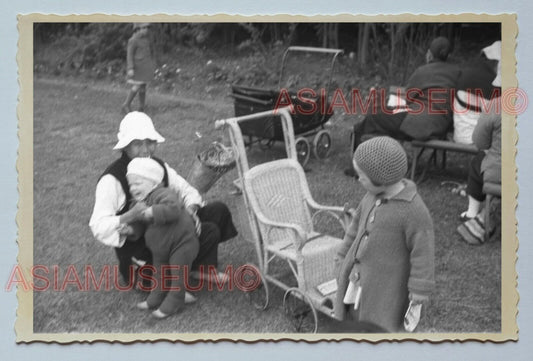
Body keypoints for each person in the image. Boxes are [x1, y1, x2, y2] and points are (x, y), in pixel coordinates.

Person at [89, 111, 238, 290]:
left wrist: (191, 209)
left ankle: (192, 268)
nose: (145, 150)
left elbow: (187, 190)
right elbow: (98, 225)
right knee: (209, 231)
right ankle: (170, 273)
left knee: (217, 211)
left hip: (165, 233)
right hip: (142, 247)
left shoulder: (157, 165)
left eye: (150, 142)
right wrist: (130, 216)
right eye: (137, 144)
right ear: (125, 147)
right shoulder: (112, 179)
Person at [334, 136, 435, 332]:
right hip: (358, 277)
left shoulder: (413, 211)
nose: (358, 179)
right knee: (353, 312)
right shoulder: (370, 196)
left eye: (361, 176)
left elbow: (423, 253)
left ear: (380, 180)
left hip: (386, 285)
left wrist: (419, 289)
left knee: (380, 321)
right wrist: (341, 256)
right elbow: (354, 230)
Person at [345, 37, 461, 176]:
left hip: (416, 123)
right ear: (449, 55)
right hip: (441, 124)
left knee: (373, 117)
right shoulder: (458, 72)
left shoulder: (423, 71)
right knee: (385, 117)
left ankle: (359, 168)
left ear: (429, 54)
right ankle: (380, 161)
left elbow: (408, 98)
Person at [124, 157, 199, 319]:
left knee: (178, 272)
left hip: (182, 242)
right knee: (159, 272)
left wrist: (153, 211)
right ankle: (155, 297)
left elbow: (174, 209)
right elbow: (140, 223)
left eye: (138, 183)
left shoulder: (163, 194)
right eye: (130, 184)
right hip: (160, 247)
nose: (133, 188)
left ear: (153, 183)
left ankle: (174, 301)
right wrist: (130, 229)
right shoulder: (136, 204)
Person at [456, 60, 501, 245]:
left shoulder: (496, 105)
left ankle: (472, 212)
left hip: (500, 173)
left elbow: (480, 141)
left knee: (479, 161)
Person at [121, 23, 157, 114]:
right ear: (137, 29)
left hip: (146, 66)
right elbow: (129, 55)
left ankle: (141, 106)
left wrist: (152, 63)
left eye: (147, 28)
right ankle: (126, 104)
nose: (146, 30)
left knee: (143, 86)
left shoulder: (147, 39)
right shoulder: (133, 40)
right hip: (137, 67)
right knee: (136, 85)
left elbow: (151, 52)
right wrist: (130, 68)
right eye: (143, 28)